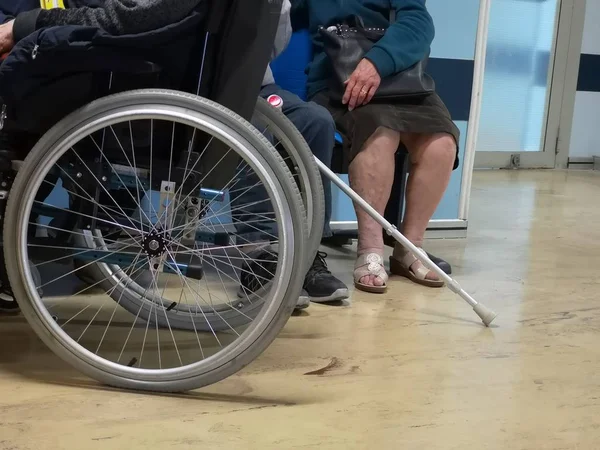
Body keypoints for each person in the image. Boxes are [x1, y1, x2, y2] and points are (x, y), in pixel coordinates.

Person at [0, 0, 349, 311]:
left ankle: (289, 258)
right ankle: (263, 256)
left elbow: (128, 19)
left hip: (176, 86)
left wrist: (29, 28)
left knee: (308, 121)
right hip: (178, 84)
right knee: (254, 127)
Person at [291, 0, 459, 294]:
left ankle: (410, 248)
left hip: (400, 78)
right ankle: (370, 249)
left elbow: (418, 22)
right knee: (380, 134)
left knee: (442, 142)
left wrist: (378, 62)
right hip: (338, 78)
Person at [232, 0, 350, 307]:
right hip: (204, 85)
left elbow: (271, 43)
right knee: (254, 125)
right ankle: (257, 256)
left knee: (316, 120)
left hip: (255, 83)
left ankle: (307, 254)